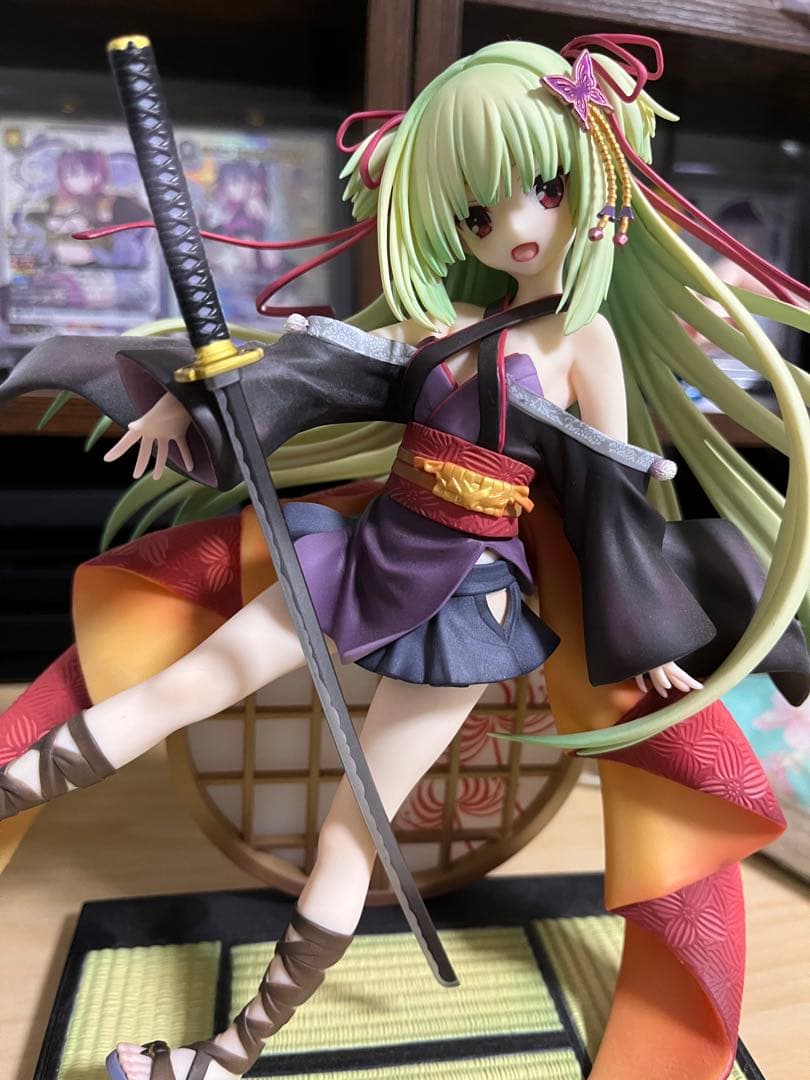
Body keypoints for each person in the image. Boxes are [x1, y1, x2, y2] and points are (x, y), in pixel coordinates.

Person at [0, 35, 808, 1080]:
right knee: (180, 688)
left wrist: (644, 637)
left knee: (353, 832)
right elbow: (304, 378)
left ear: (596, 179)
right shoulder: (444, 325)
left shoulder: (585, 343)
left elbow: (610, 505)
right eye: (478, 213)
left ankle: (223, 1057)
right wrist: (184, 402)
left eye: (543, 189)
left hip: (469, 607)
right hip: (357, 555)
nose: (515, 227)